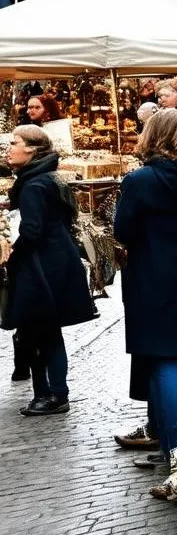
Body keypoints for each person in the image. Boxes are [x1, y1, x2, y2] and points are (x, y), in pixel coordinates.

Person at [113, 109, 177, 500]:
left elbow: (123, 230)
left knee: (163, 361)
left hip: (153, 281)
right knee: (172, 358)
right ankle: (167, 440)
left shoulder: (140, 181)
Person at [1, 126, 94, 415]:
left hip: (40, 270)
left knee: (38, 333)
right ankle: (54, 392)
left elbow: (32, 230)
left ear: (31, 149)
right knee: (47, 332)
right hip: (54, 264)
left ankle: (49, 395)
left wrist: (9, 252)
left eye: (13, 142)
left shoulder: (32, 185)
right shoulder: (44, 179)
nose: (8, 148)